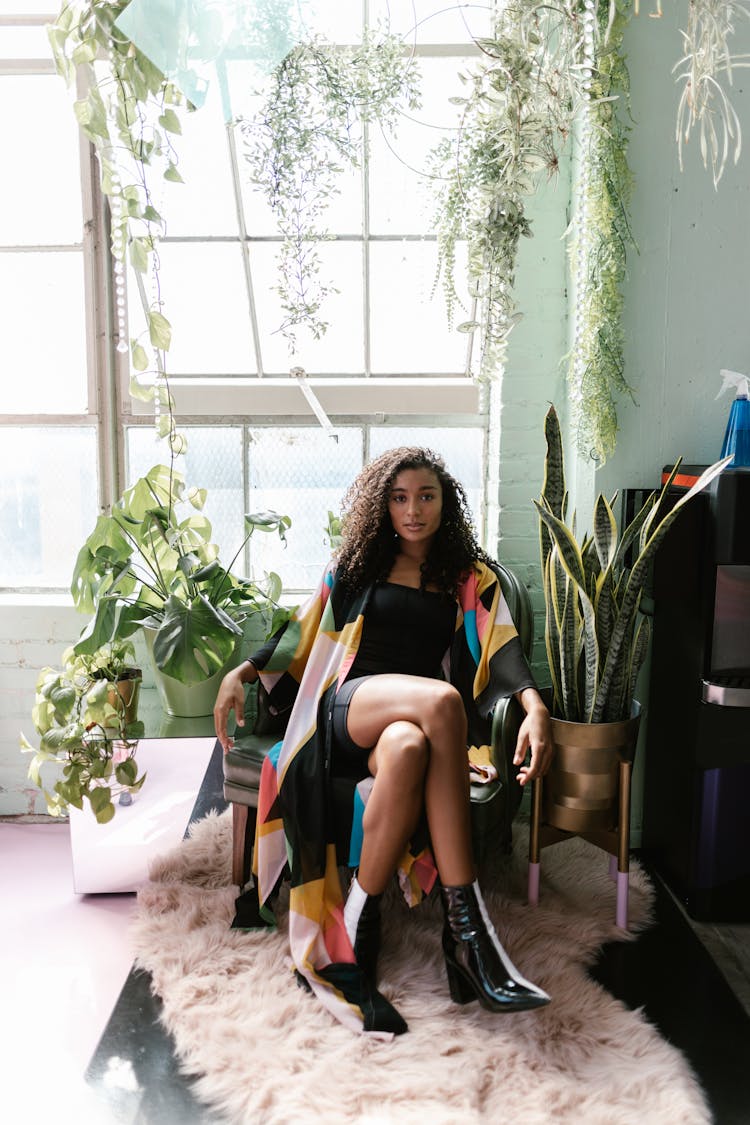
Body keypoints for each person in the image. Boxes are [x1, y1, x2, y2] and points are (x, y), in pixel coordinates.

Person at [214, 447, 553, 1037]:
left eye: (426, 496)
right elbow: (301, 634)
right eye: (399, 498)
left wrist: (535, 705)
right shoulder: (359, 568)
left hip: (407, 723)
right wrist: (240, 672)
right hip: (348, 704)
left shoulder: (470, 578)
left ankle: (358, 923)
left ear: (446, 503)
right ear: (383, 506)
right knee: (443, 700)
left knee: (409, 749)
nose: (413, 510)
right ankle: (468, 933)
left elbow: (504, 652)